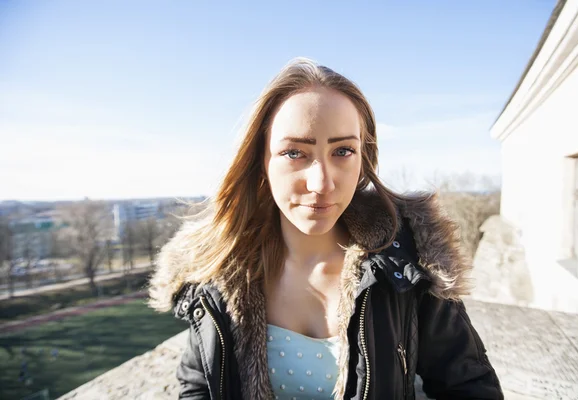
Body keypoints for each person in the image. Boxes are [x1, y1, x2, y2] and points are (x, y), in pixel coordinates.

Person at [149, 57, 503, 400]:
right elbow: (197, 387)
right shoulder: (216, 269)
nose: (321, 183)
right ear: (261, 161)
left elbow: (469, 387)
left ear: (364, 158)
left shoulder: (409, 263)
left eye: (343, 151)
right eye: (294, 153)